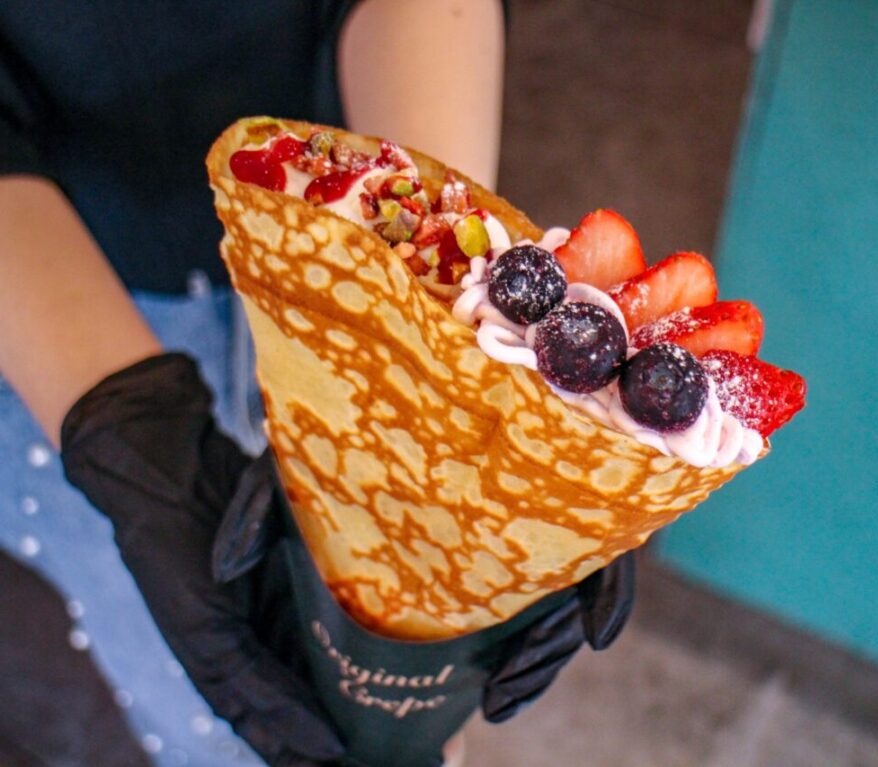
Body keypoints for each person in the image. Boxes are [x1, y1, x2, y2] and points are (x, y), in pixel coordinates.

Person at [0, 2, 633, 765]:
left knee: (396, 703)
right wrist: (130, 431)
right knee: (217, 708)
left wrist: (438, 327)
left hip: (347, 229)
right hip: (45, 310)